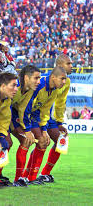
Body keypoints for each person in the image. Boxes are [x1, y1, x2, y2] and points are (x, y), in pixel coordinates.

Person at [20, 66, 67, 184]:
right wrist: (27, 128)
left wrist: (45, 130)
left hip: (37, 116)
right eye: (62, 79)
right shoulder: (39, 85)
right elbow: (27, 106)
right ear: (53, 77)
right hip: (26, 115)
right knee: (41, 141)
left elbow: (46, 110)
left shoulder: (55, 89)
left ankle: (30, 176)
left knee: (45, 141)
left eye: (65, 79)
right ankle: (28, 177)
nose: (64, 82)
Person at [38, 54, 73, 183]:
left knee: (61, 141)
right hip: (38, 115)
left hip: (50, 118)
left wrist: (59, 122)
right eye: (68, 64)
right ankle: (29, 175)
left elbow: (60, 103)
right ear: (59, 66)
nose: (71, 66)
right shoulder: (46, 79)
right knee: (42, 142)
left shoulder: (66, 81)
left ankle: (44, 173)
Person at [10, 65, 41, 187]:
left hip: (11, 115)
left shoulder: (30, 90)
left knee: (26, 141)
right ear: (26, 78)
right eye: (36, 78)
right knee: (4, 143)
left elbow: (22, 109)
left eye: (39, 78)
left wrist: (27, 129)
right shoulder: (15, 86)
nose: (38, 81)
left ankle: (19, 178)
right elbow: (5, 105)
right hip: (0, 115)